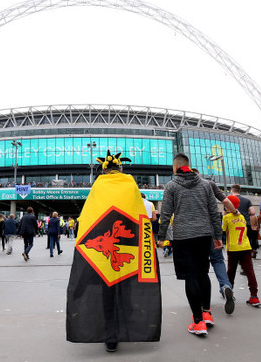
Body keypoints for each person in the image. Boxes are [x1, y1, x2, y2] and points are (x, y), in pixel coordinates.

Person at [67, 150, 161, 353]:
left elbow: (88, 217)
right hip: (128, 245)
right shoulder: (130, 184)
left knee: (106, 290)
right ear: (120, 168)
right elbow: (140, 217)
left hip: (103, 252)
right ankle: (124, 325)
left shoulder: (98, 186)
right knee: (126, 287)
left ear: (103, 170)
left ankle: (111, 336)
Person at [158, 153, 223, 336]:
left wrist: (161, 236)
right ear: (188, 165)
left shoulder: (171, 186)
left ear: (175, 167)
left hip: (183, 237)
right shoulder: (205, 184)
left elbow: (165, 214)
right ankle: (207, 313)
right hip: (204, 235)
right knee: (203, 273)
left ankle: (198, 322)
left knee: (191, 276)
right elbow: (214, 211)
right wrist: (218, 235)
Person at [192, 168, 238, 315]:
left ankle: (200, 298)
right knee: (217, 260)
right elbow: (226, 201)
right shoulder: (209, 184)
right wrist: (235, 212)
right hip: (211, 227)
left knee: (199, 263)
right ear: (199, 174)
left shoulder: (183, 185)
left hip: (193, 230)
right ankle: (225, 286)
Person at [223, 195, 260, 307]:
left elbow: (224, 229)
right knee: (250, 271)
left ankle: (230, 291)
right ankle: (254, 296)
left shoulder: (226, 218)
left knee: (231, 271)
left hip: (233, 247)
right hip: (245, 247)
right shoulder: (243, 217)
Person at [230, 185, 259, 258]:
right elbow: (252, 212)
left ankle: (240, 256)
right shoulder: (247, 200)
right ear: (239, 191)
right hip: (246, 223)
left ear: (231, 190)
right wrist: (245, 213)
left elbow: (225, 213)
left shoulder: (229, 200)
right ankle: (250, 252)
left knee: (238, 241)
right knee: (247, 240)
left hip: (234, 224)